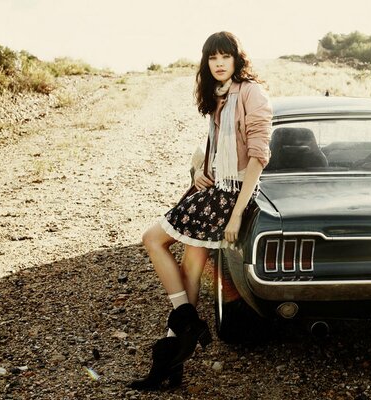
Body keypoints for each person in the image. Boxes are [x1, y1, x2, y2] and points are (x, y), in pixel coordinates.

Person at [129, 31, 272, 390]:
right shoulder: (219, 96)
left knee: (152, 239)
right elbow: (212, 147)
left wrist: (237, 214)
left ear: (238, 60)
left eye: (226, 56)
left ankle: (185, 321)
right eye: (213, 58)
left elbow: (258, 157)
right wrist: (199, 171)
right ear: (207, 63)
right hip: (214, 188)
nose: (219, 63)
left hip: (232, 196)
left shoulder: (252, 93)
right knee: (191, 270)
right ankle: (173, 362)